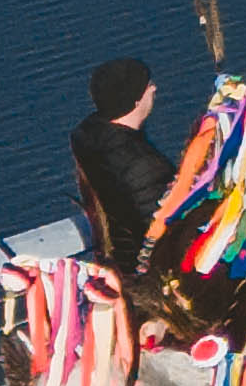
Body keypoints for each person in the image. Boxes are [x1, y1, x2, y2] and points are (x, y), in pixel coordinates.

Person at [71, 58, 177, 280]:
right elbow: (161, 231)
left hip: (116, 255)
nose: (154, 88)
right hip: (146, 271)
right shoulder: (143, 166)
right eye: (148, 86)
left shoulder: (89, 137)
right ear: (135, 102)